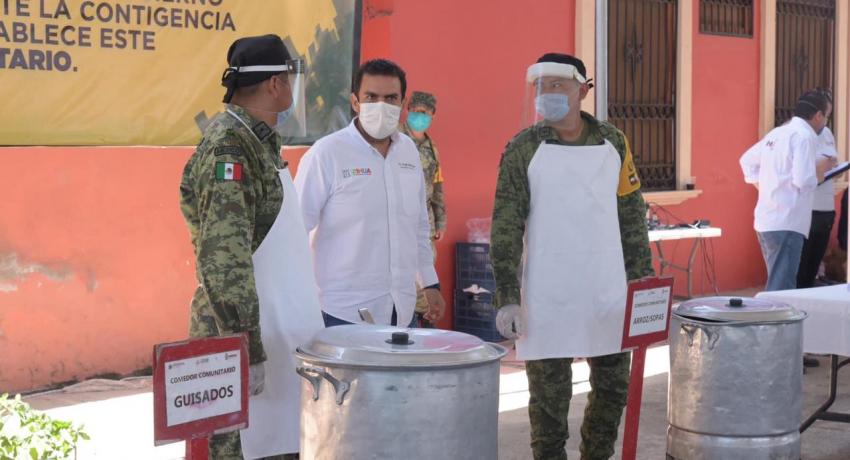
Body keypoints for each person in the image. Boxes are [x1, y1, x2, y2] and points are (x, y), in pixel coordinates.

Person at [490, 53, 654, 460]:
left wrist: (644, 285)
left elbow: (631, 216)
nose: (546, 93)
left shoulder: (613, 142)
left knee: (613, 390)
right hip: (547, 295)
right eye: (541, 86)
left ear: (583, 90)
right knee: (549, 405)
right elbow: (506, 225)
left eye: (557, 85)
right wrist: (507, 296)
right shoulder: (523, 148)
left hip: (607, 291)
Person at [179, 34, 324, 460]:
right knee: (240, 447)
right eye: (290, 79)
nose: (293, 89)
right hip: (241, 344)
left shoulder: (260, 143)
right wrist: (245, 348)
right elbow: (225, 261)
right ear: (275, 84)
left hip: (277, 337)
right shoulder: (231, 147)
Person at [294, 59, 445, 328]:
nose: (381, 106)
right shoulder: (326, 154)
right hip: (342, 315)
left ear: (402, 103)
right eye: (371, 97)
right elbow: (294, 230)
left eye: (391, 98)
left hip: (402, 311)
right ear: (355, 102)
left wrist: (429, 282)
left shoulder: (408, 152)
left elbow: (418, 225)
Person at [740, 90, 836, 292]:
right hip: (787, 221)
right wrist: (819, 175)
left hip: (767, 220)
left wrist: (764, 187)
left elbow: (746, 161)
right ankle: (773, 315)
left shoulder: (778, 133)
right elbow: (803, 180)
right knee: (782, 289)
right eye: (827, 116)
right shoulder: (805, 136)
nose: (826, 122)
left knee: (778, 283)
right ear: (818, 115)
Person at [401, 91, 447, 328]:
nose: (420, 116)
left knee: (425, 274)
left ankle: (425, 321)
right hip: (399, 217)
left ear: (432, 115)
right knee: (404, 275)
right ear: (408, 110)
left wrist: (440, 221)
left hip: (425, 222)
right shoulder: (395, 139)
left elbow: (438, 185)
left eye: (425, 113)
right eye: (416, 111)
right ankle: (410, 320)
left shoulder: (432, 148)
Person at [797, 115, 838, 289]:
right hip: (809, 206)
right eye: (825, 115)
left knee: (816, 256)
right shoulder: (800, 135)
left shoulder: (827, 133)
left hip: (826, 205)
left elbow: (834, 160)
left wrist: (834, 165)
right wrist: (819, 169)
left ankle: (812, 282)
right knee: (803, 260)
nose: (826, 120)